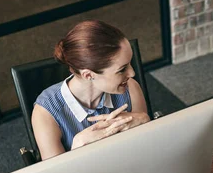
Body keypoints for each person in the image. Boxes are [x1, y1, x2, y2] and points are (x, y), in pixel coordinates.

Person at [32, 20, 150, 160]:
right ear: (88, 75)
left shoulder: (131, 88)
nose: (132, 73)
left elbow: (146, 151)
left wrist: (145, 120)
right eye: (122, 69)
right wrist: (77, 147)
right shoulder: (45, 113)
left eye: (130, 63)